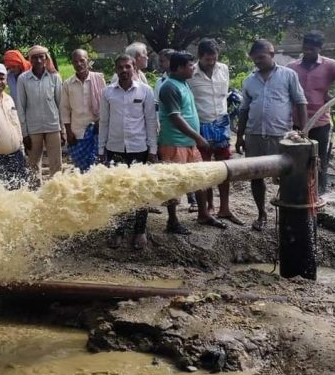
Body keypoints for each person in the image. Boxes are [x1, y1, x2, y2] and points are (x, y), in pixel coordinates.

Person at [235, 39, 307, 230]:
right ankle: (262, 214)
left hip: (280, 135)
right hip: (255, 135)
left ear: (271, 54)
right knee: (256, 176)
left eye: (261, 57)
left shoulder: (288, 75)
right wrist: (239, 136)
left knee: (286, 177)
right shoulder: (249, 80)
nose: (257, 62)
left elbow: (300, 102)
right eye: (254, 59)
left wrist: (304, 130)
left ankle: (287, 215)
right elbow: (244, 109)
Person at [158, 51, 226, 233]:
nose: (193, 68)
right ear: (179, 68)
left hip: (188, 142)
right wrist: (199, 137)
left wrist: (195, 138)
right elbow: (175, 118)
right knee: (173, 183)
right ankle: (172, 221)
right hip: (174, 142)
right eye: (190, 65)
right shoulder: (169, 87)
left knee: (199, 179)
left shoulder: (183, 83)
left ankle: (203, 214)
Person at [287, 30, 335, 195]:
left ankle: (320, 192)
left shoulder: (330, 65)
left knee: (319, 158)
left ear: (319, 49)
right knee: (296, 157)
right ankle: (298, 191)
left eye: (312, 50)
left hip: (319, 121)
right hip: (296, 122)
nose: (307, 52)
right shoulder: (292, 67)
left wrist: (334, 98)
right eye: (305, 48)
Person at [99, 55, 158, 249]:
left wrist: (153, 149)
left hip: (139, 148)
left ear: (134, 68)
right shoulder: (108, 93)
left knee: (140, 190)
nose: (124, 70)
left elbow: (151, 121)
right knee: (117, 190)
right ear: (115, 70)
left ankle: (140, 230)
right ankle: (119, 230)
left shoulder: (145, 91)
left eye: (127, 67)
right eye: (120, 67)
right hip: (115, 148)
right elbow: (104, 122)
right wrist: (101, 149)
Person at [190, 38, 242, 224]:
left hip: (221, 124)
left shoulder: (224, 69)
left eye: (214, 59)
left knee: (224, 168)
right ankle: (208, 206)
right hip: (200, 126)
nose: (211, 63)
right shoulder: (191, 74)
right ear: (200, 57)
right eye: (207, 60)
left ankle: (225, 208)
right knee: (204, 170)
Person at [16, 45, 64, 182]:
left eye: (41, 57)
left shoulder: (54, 77)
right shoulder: (23, 79)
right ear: (30, 60)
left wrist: (63, 130)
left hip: (53, 125)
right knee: (33, 165)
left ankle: (56, 191)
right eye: (34, 57)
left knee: (56, 164)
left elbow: (60, 104)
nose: (38, 60)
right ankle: (36, 194)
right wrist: (24, 133)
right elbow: (21, 107)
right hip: (33, 128)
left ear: (46, 58)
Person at [61, 49, 106, 172]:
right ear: (72, 63)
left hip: (97, 131)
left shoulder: (98, 79)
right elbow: (64, 110)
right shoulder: (68, 84)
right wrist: (68, 132)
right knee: (81, 170)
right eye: (75, 61)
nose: (79, 64)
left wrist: (100, 121)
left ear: (88, 61)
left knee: (97, 168)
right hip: (77, 133)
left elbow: (105, 103)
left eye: (82, 60)